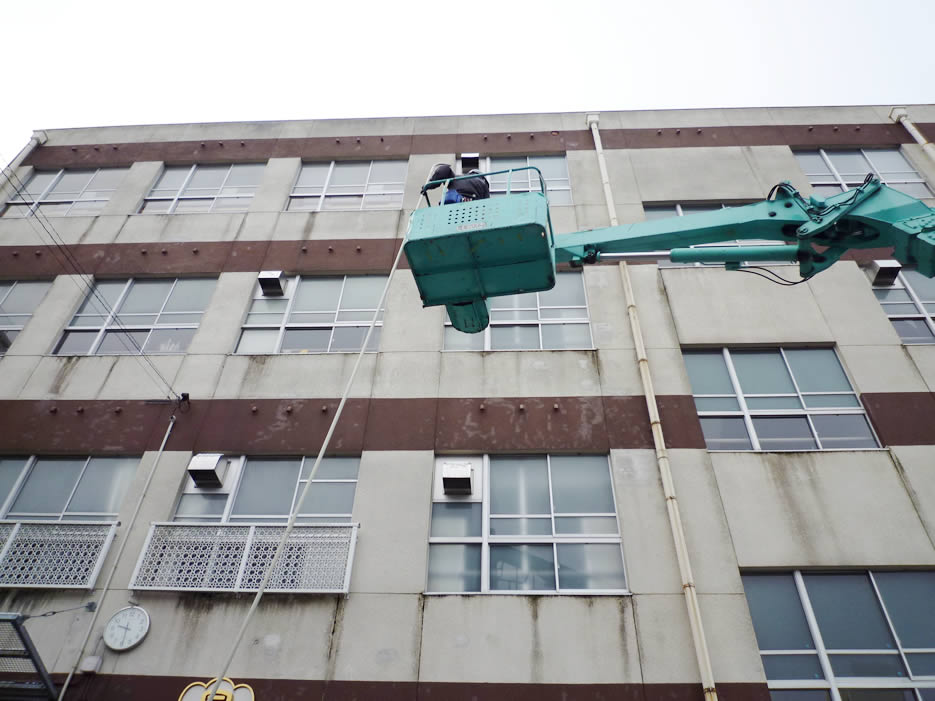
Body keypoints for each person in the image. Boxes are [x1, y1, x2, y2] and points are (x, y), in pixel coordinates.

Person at [424, 163, 490, 205]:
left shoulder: (456, 178)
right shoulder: (484, 184)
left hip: (453, 204)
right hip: (475, 208)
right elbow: (487, 204)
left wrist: (429, 185)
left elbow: (443, 170)